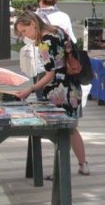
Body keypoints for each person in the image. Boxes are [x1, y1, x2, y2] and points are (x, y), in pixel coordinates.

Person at [14, 11, 91, 177]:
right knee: (71, 128)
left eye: (24, 31)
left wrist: (30, 89)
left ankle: (60, 171)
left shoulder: (45, 43)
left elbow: (50, 75)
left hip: (59, 91)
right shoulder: (57, 30)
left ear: (33, 24)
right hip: (72, 85)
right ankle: (83, 164)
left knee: (60, 132)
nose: (24, 35)